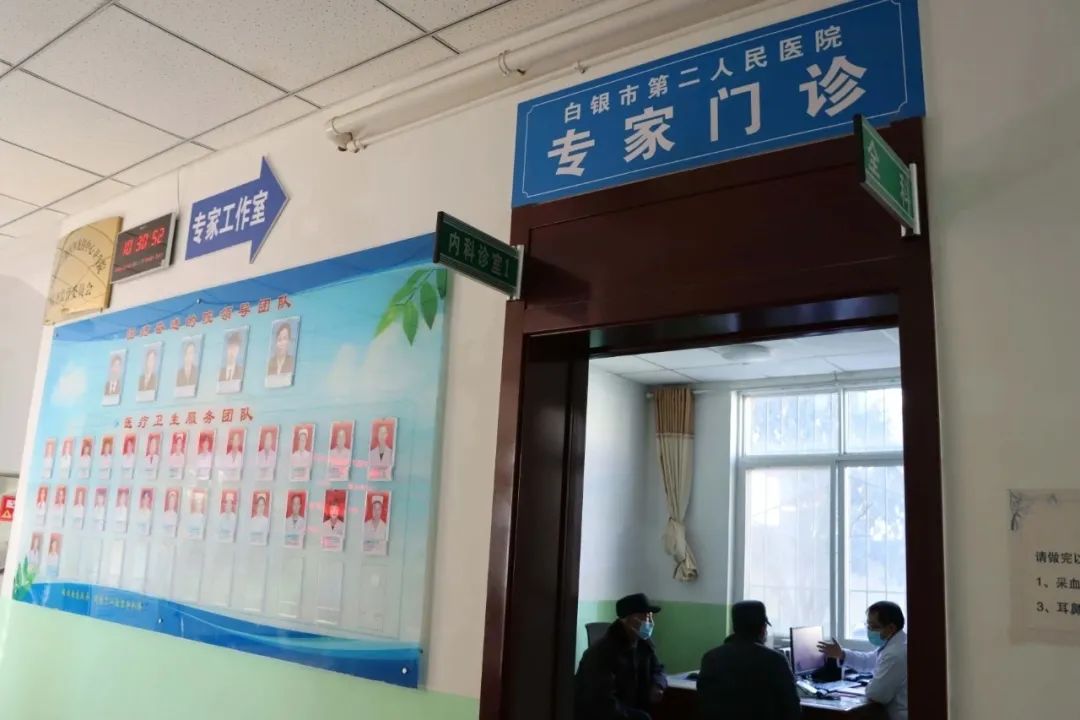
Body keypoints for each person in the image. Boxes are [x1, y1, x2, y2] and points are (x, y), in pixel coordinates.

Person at [697, 600, 800, 720]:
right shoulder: (776, 660)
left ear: (734, 627)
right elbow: (794, 711)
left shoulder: (710, 658)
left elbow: (704, 704)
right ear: (763, 629)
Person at [574, 593, 667, 720]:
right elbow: (601, 700)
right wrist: (637, 717)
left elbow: (658, 669)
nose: (649, 622)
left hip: (628, 710)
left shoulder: (643, 645)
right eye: (644, 617)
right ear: (626, 619)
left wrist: (658, 684)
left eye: (650, 617)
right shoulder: (602, 652)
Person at [818, 601, 908, 720]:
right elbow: (869, 661)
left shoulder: (895, 654)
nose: (869, 630)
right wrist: (842, 654)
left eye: (874, 626)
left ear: (891, 627)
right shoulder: (895, 644)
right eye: (868, 625)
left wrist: (872, 683)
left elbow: (876, 694)